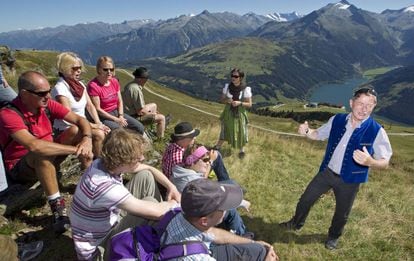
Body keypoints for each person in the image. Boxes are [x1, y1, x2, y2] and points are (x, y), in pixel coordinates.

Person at [279, 87, 393, 250]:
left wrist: (371, 162)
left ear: (374, 107)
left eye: (369, 105)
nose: (364, 109)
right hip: (327, 172)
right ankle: (296, 223)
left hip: (350, 180)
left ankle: (333, 236)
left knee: (342, 213)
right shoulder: (337, 120)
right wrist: (306, 131)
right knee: (306, 199)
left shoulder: (377, 131)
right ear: (351, 103)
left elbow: (385, 162)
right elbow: (318, 134)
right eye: (360, 103)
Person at [0, 71, 93, 234]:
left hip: (50, 152)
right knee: (41, 154)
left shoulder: (46, 104)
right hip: (21, 166)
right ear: (24, 94)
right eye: (41, 93)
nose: (48, 96)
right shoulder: (8, 114)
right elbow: (34, 146)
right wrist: (76, 150)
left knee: (75, 130)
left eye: (49, 91)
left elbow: (80, 119)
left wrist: (86, 138)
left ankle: (92, 182)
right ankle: (58, 209)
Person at [70, 128, 181, 260]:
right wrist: (178, 203)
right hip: (100, 247)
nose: (142, 157)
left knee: (145, 176)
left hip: (108, 222)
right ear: (122, 160)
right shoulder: (106, 188)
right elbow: (158, 212)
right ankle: (158, 238)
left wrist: (171, 187)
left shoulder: (102, 163)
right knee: (152, 204)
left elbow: (148, 168)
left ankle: (153, 233)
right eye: (137, 157)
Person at [161, 178, 279, 261]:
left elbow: (213, 233)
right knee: (262, 253)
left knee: (258, 249)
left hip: (201, 248)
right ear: (204, 221)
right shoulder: (198, 259)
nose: (226, 211)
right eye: (222, 209)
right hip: (200, 253)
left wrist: (252, 242)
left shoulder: (180, 213)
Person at [172, 143, 252, 237]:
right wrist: (241, 203)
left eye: (208, 159)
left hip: (195, 206)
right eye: (205, 160)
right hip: (199, 214)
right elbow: (210, 198)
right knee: (231, 210)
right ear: (191, 161)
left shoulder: (181, 170)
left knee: (231, 183)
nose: (208, 162)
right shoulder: (193, 182)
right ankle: (242, 235)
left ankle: (234, 190)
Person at [52, 52, 110, 169]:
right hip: (66, 129)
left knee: (100, 132)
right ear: (64, 69)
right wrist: (94, 126)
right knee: (95, 133)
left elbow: (90, 106)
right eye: (75, 68)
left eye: (80, 68)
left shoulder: (80, 85)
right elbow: (69, 117)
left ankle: (97, 165)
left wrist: (98, 122)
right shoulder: (60, 89)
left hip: (82, 126)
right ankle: (95, 167)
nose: (79, 71)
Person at [87, 56, 145, 135]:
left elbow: (120, 101)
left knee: (139, 127)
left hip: (117, 112)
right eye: (105, 69)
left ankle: (137, 145)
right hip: (104, 116)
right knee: (120, 132)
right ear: (99, 70)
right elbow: (98, 109)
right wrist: (116, 119)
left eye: (111, 69)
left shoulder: (114, 81)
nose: (109, 72)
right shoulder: (93, 85)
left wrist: (120, 116)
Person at [162, 122, 230, 183]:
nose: (194, 138)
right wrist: (210, 161)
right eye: (192, 137)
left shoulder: (172, 146)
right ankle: (226, 183)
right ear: (183, 139)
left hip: (172, 181)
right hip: (184, 186)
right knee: (216, 155)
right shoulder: (179, 157)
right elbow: (193, 181)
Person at [215, 68, 252, 159]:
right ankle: (218, 147)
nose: (233, 78)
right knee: (225, 129)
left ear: (241, 78)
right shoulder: (227, 87)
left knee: (241, 130)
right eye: (232, 75)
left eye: (236, 76)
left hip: (240, 112)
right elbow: (221, 100)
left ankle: (241, 150)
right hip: (228, 111)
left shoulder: (246, 89)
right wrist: (227, 100)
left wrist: (240, 103)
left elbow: (249, 104)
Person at [122, 66, 169, 138]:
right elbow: (140, 112)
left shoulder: (130, 85)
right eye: (146, 79)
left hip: (128, 112)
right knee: (162, 118)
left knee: (153, 105)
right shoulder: (136, 90)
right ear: (141, 79)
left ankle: (151, 128)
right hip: (133, 117)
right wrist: (152, 113)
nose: (147, 80)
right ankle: (160, 138)